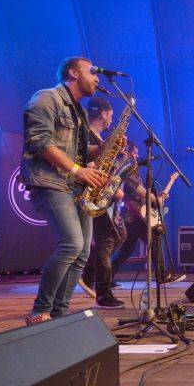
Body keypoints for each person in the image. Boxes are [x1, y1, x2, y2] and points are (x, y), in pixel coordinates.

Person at [21, 57, 108, 325]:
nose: (97, 77)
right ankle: (39, 310)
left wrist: (104, 149)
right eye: (92, 71)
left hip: (73, 185)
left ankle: (59, 314)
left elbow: (79, 153)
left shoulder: (78, 111)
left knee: (82, 252)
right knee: (72, 243)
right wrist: (77, 170)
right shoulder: (46, 98)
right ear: (73, 72)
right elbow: (40, 142)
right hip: (50, 180)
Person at [110, 141, 185, 287]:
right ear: (127, 152)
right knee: (155, 238)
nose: (137, 155)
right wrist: (156, 199)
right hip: (135, 215)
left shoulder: (132, 171)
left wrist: (156, 198)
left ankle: (107, 278)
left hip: (134, 215)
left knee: (126, 249)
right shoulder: (127, 171)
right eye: (135, 152)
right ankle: (162, 275)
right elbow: (143, 193)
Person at [78, 97, 127, 308]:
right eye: (112, 114)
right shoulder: (87, 135)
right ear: (104, 113)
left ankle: (89, 275)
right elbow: (89, 166)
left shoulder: (97, 137)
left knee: (118, 237)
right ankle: (103, 293)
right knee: (106, 242)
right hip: (96, 196)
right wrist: (112, 185)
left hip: (103, 197)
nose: (112, 119)